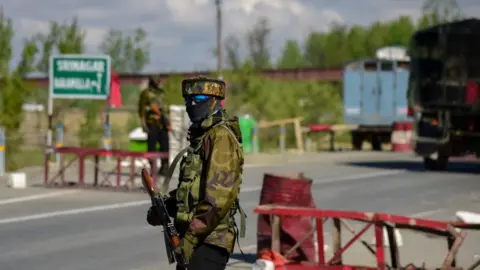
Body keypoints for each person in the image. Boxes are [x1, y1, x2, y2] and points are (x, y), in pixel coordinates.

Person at [146, 77, 246, 270]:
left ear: (214, 101)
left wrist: (191, 239)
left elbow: (218, 199)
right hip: (194, 240)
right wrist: (167, 207)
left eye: (199, 98)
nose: (191, 104)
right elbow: (192, 189)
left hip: (210, 241)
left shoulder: (221, 137)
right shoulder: (202, 137)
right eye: (188, 99)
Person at [138, 76, 171, 176]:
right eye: (156, 80)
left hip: (162, 123)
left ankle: (164, 167)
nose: (158, 82)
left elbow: (165, 109)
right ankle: (152, 167)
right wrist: (150, 109)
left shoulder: (161, 93)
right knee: (151, 146)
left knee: (165, 145)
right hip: (151, 123)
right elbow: (141, 110)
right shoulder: (146, 93)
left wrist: (168, 123)